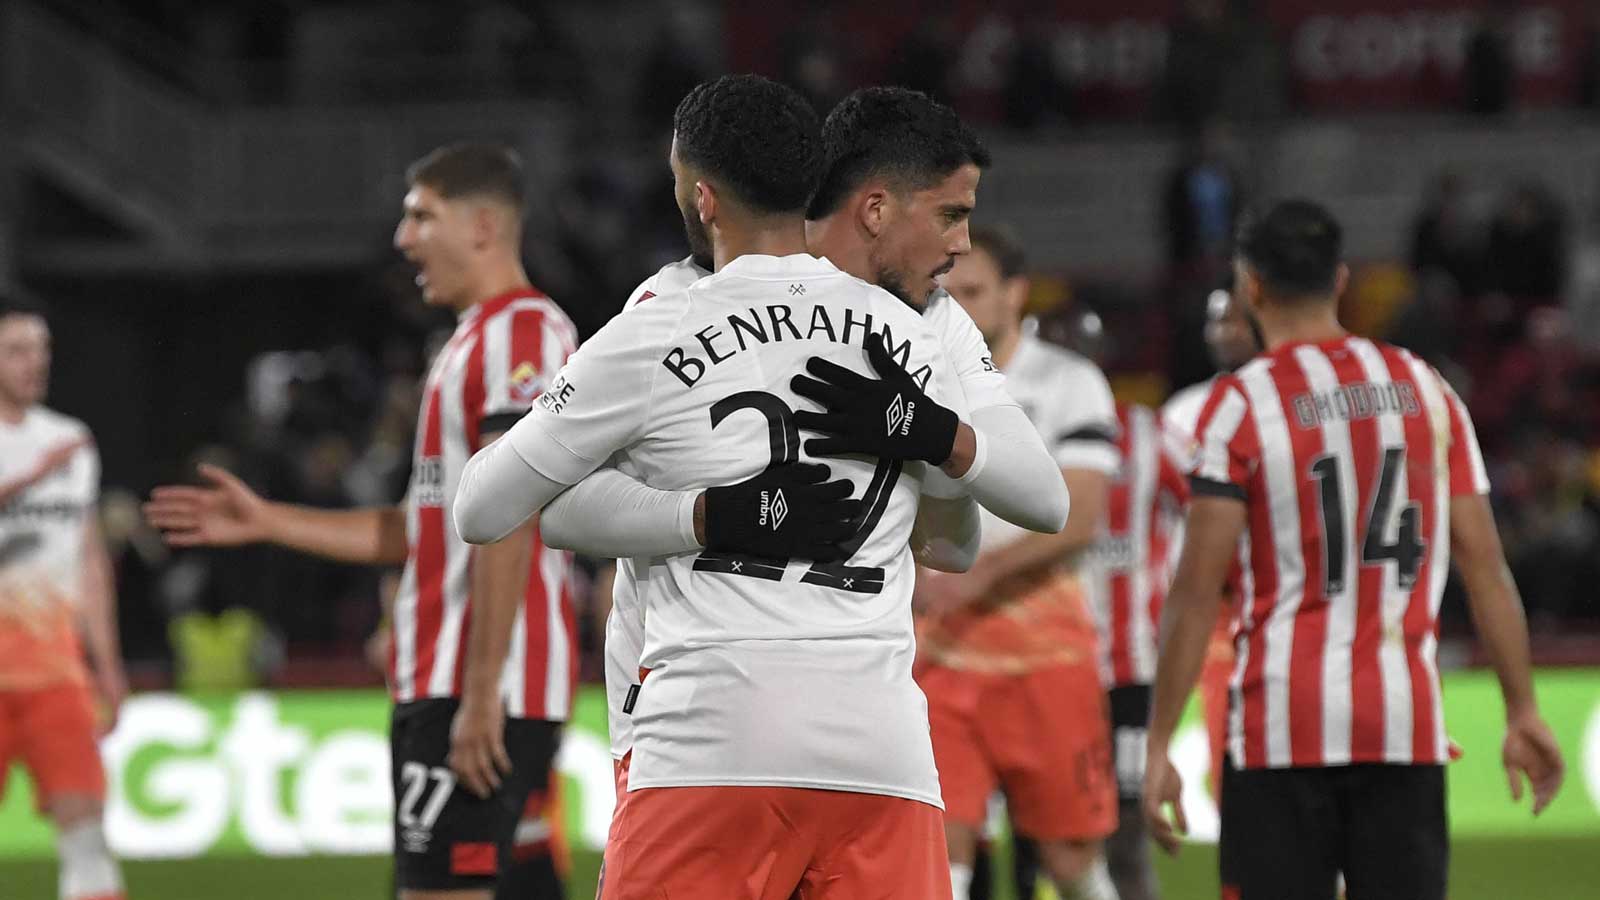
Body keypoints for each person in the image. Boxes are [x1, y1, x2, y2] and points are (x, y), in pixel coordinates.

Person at [452, 74, 1070, 900]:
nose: (961, 243)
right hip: (877, 744)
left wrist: (708, 515)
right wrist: (921, 449)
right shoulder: (909, 334)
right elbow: (955, 543)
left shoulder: (665, 318)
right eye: (952, 215)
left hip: (708, 731)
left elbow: (498, 506)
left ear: (701, 197)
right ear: (867, 203)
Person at [143, 144, 576, 900]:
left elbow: (510, 514)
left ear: (481, 226)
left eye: (421, 217)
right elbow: (423, 531)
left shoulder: (521, 335)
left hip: (472, 687)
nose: (403, 239)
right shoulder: (466, 344)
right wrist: (268, 520)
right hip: (454, 684)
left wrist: (479, 697)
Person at [1142, 199, 1566, 900]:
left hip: (1281, 727)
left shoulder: (1241, 406)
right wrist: (1522, 708)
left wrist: (1158, 746)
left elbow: (1194, 593)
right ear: (1341, 280)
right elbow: (1486, 567)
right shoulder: (1424, 388)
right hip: (1401, 723)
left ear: (1251, 287)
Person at [921, 224, 1120, 900]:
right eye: (948, 291)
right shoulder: (922, 381)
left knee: (1071, 865)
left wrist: (977, 577)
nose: (958, 305)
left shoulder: (1069, 382)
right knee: (939, 865)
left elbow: (1081, 515)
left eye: (974, 290)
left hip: (1047, 658)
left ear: (1016, 293)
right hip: (940, 660)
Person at [0, 297, 128, 900]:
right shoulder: (52, 455)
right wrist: (27, 479)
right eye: (18, 350)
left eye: (41, 349)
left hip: (56, 672)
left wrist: (107, 665)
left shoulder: (71, 442)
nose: (35, 364)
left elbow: (89, 560)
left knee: (86, 838)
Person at [1083, 393, 1190, 900]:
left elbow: (1208, 502)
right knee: (1047, 834)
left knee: (1126, 830)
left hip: (1132, 667)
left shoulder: (1149, 433)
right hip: (1058, 666)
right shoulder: (1034, 416)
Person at [1161, 284, 1264, 801]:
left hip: (1276, 592)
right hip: (1216, 604)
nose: (1224, 331)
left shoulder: (1280, 398)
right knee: (1231, 760)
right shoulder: (1184, 411)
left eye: (1236, 320)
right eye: (1216, 320)